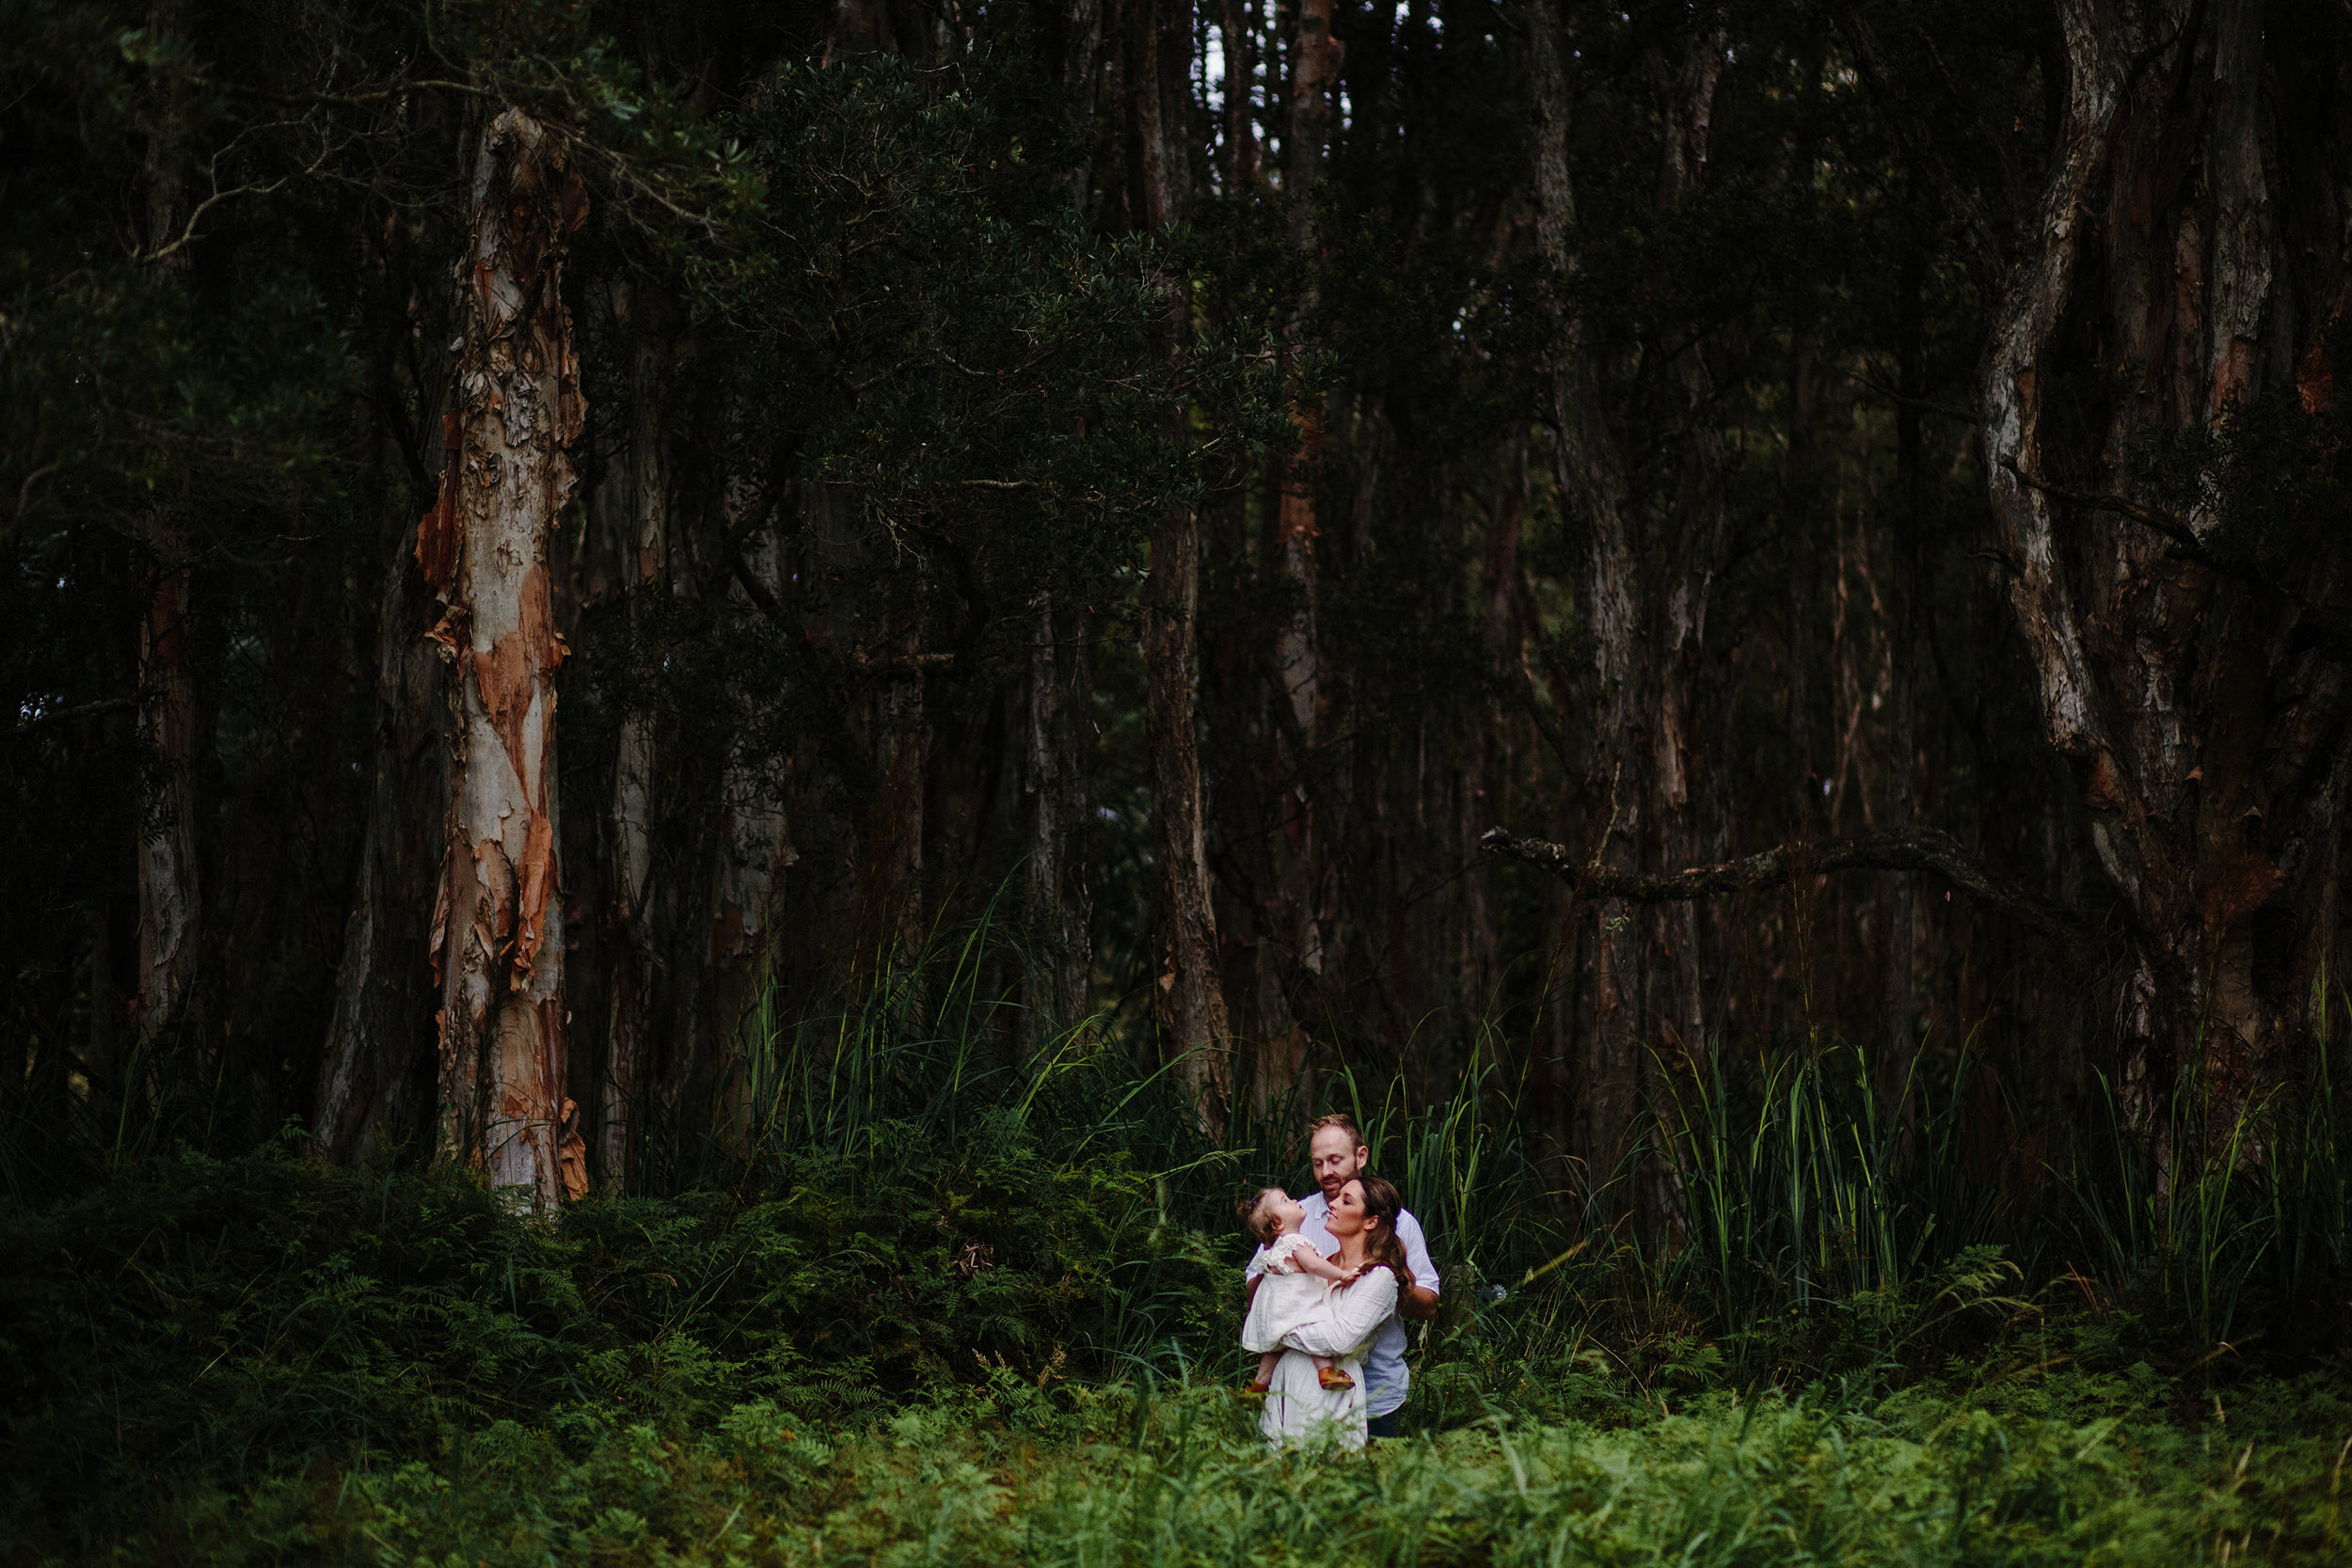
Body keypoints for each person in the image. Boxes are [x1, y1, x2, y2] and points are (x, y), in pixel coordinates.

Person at [1242, 1113, 1440, 1439]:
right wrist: (1285, 1275)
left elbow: (1429, 1306)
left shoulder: (1399, 1223)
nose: (1326, 1172)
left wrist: (1387, 1276)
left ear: (1360, 1156)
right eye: (1317, 1163)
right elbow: (1255, 1290)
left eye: (1335, 1160)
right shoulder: (1293, 1218)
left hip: (1378, 1387)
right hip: (1304, 1384)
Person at [1252, 1174, 1414, 1449]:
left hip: (1332, 1391)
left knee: (1323, 1475)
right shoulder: (1320, 1265)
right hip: (1288, 1383)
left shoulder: (1380, 1278)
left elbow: (1339, 1339)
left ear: (1370, 1221)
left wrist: (1276, 1331)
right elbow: (1274, 1301)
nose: (1334, 1204)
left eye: (1346, 1201)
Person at [1238, 1185, 1367, 1393]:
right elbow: (1315, 1265)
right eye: (1285, 1201)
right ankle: (1326, 1371)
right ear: (1278, 1223)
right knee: (1315, 1326)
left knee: (1273, 1352)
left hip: (1277, 1314)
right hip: (1297, 1306)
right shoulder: (1296, 1242)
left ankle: (1259, 1384)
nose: (1293, 1199)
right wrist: (1341, 1274)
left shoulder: (1273, 1250)